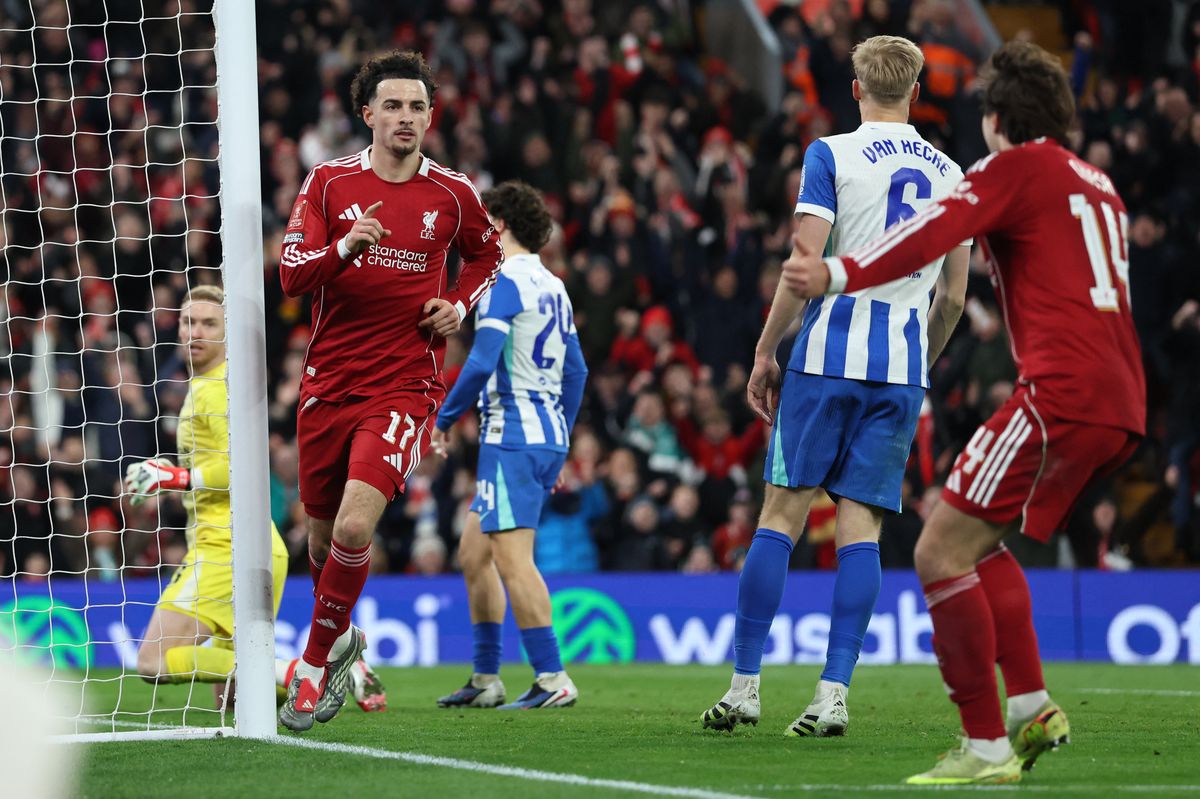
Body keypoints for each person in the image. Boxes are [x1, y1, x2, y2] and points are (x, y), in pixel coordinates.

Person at [781, 41, 1144, 784]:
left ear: (997, 118)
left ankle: (984, 744)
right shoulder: (1098, 182)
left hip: (1060, 392)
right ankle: (1032, 704)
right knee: (978, 542)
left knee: (936, 551)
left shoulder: (1012, 168)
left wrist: (837, 271)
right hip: (1122, 398)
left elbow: (927, 236)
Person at [699, 35, 970, 738]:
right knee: (862, 530)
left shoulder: (832, 154)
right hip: (899, 370)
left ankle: (745, 686)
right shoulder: (953, 174)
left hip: (825, 360)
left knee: (781, 517)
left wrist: (766, 350)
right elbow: (952, 298)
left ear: (855, 89)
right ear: (916, 92)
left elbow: (804, 263)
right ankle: (832, 695)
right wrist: (918, 361)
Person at [275, 50, 502, 732]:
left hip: (405, 384)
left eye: (418, 107)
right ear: (367, 113)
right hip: (329, 382)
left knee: (353, 527)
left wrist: (458, 304)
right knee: (322, 546)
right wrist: (346, 246)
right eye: (394, 105)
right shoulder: (328, 183)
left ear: (431, 118)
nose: (406, 116)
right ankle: (344, 638)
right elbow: (292, 276)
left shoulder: (452, 193)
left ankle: (312, 666)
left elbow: (488, 254)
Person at [430, 180, 588, 710]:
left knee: (513, 558)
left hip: (512, 435)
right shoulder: (554, 286)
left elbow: (481, 361)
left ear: (497, 225)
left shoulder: (502, 280)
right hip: (542, 435)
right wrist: (561, 438)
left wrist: (445, 419)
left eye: (482, 224)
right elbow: (577, 372)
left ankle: (552, 677)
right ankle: (486, 678)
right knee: (474, 552)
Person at [127, 287, 291, 693]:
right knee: (238, 698)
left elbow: (242, 466)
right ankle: (335, 669)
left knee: (152, 660)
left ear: (228, 333)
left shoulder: (215, 388)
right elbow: (216, 459)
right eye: (189, 321)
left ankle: (300, 673)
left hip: (225, 546)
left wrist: (177, 479)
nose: (196, 331)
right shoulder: (213, 384)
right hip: (257, 545)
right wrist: (172, 470)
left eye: (209, 323)